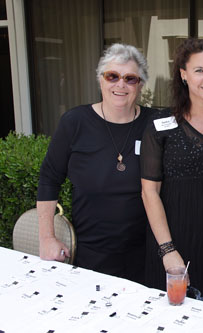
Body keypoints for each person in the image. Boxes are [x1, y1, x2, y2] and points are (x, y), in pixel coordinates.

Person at [140, 38, 203, 307]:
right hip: (175, 250)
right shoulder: (160, 127)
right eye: (199, 70)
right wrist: (168, 251)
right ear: (183, 75)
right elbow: (149, 192)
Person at [37, 43, 152, 284]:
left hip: (146, 257)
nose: (120, 84)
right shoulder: (75, 122)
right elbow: (49, 178)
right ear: (100, 80)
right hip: (89, 256)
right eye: (112, 76)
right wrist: (47, 238)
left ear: (140, 85)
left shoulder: (155, 123)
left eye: (130, 79)